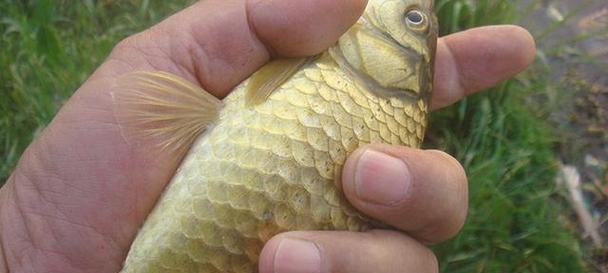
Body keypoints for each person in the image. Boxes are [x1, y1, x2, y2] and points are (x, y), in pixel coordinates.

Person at [0, 0, 536, 272]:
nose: (402, 8)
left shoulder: (345, 84)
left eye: (411, 19)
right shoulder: (311, 43)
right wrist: (23, 249)